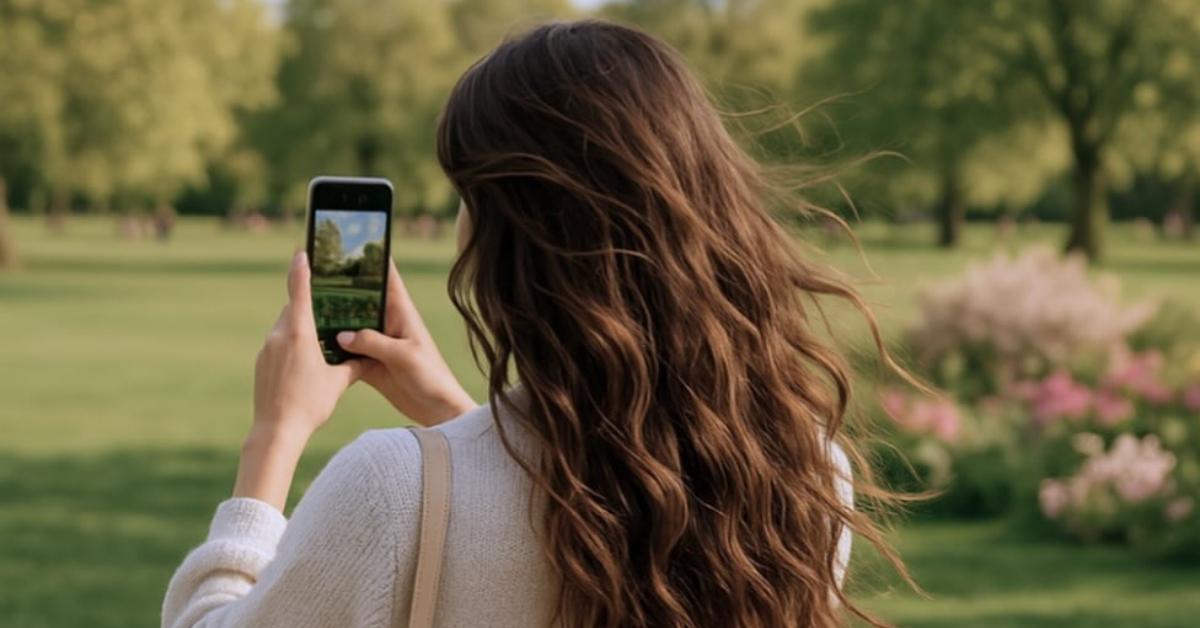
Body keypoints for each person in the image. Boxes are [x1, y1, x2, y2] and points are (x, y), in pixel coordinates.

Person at [163, 19, 909, 628]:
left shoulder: (387, 492)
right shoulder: (800, 473)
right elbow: (580, 506)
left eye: (467, 197)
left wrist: (275, 436)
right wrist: (457, 421)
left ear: (512, 234)